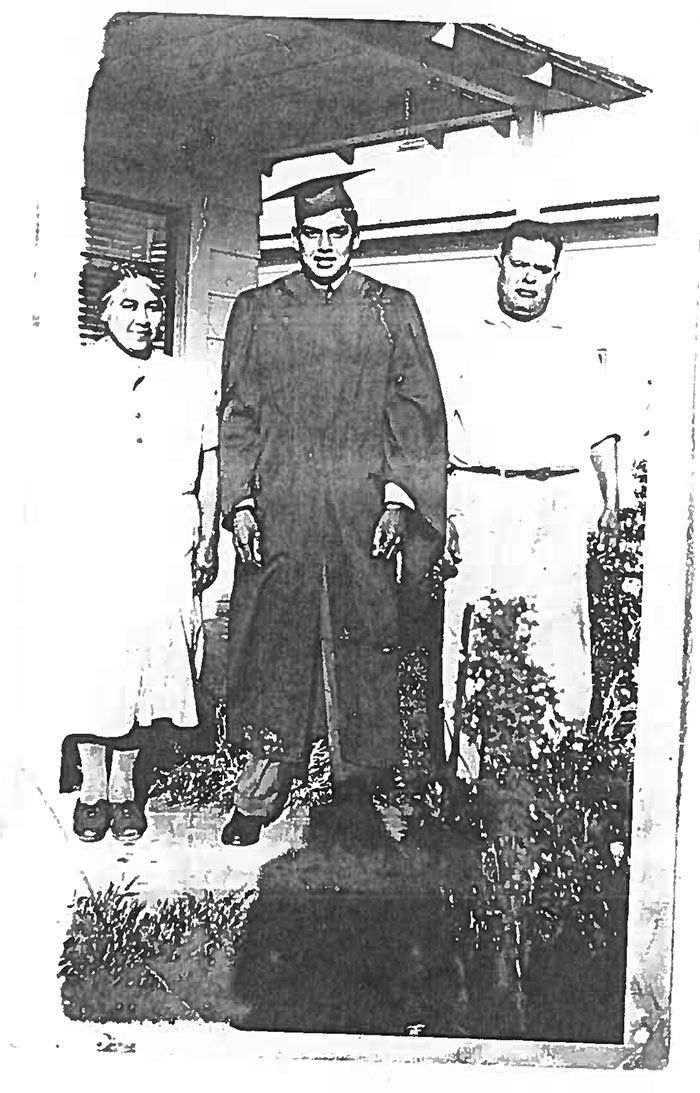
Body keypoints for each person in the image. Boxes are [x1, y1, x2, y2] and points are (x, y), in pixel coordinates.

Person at [219, 170, 447, 846]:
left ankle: (355, 790)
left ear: (355, 236)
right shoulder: (258, 308)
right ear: (294, 239)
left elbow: (416, 411)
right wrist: (240, 503)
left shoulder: (391, 307)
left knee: (363, 640)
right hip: (283, 503)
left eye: (336, 233)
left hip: (359, 508)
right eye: (311, 234)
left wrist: (399, 501)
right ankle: (259, 789)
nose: (324, 245)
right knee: (274, 641)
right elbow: (238, 414)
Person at [441, 219, 620, 782]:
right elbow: (435, 436)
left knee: (555, 637)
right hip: (481, 497)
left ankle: (551, 771)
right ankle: (466, 779)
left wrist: (612, 505)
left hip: (555, 506)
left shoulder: (572, 344)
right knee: (471, 630)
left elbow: (602, 434)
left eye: (543, 270)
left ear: (555, 276)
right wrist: (442, 510)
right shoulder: (463, 339)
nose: (529, 279)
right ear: (500, 263)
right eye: (520, 265)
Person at [62, 262, 219, 842]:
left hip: (165, 537)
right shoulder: (75, 376)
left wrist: (206, 535)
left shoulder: (188, 378)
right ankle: (91, 786)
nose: (142, 319)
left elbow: (211, 462)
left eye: (152, 306)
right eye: (127, 306)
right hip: (95, 536)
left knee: (150, 667)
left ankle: (126, 786)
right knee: (98, 659)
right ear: (103, 313)